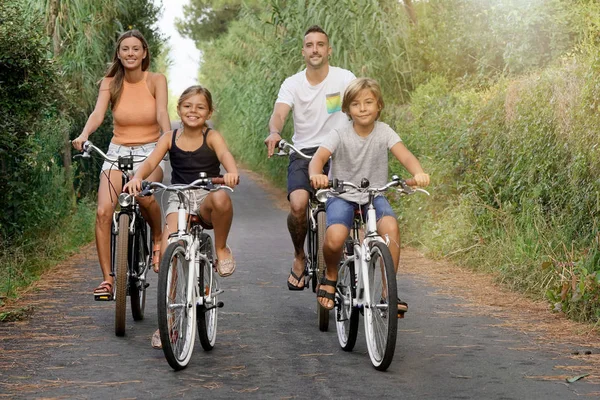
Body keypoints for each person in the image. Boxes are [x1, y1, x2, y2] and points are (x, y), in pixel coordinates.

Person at [124, 85, 239, 349]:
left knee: (223, 197)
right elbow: (151, 162)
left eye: (200, 107)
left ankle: (221, 248)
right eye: (188, 106)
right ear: (179, 109)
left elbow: (225, 156)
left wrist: (230, 172)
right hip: (178, 196)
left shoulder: (212, 136)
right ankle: (168, 321)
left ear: (209, 111)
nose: (193, 111)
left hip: (206, 195)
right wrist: (138, 178)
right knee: (169, 251)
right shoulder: (169, 137)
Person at [308, 77, 430, 316]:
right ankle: (331, 276)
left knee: (391, 228)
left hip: (374, 195)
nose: (362, 108)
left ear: (379, 106)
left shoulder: (385, 132)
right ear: (347, 109)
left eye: (368, 102)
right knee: (335, 237)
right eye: (356, 104)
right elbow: (319, 158)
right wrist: (316, 174)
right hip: (342, 194)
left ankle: (388, 294)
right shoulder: (340, 133)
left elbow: (405, 155)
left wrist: (418, 173)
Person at [72, 29, 170, 299]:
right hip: (117, 152)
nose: (130, 53)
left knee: (146, 199)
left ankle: (158, 237)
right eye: (125, 49)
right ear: (119, 53)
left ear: (144, 53)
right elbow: (98, 113)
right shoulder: (110, 82)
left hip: (150, 152)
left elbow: (162, 111)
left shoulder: (156, 80)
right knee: (104, 211)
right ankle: (107, 279)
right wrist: (84, 134)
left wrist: (167, 137)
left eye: (136, 48)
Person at [264, 25, 356, 290]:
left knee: (355, 201)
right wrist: (274, 132)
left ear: (329, 50)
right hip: (304, 153)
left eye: (320, 44)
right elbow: (280, 113)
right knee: (298, 205)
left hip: (340, 151)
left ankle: (354, 251)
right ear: (303, 51)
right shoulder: (293, 83)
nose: (315, 49)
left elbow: (361, 99)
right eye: (309, 45)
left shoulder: (344, 77)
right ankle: (299, 256)